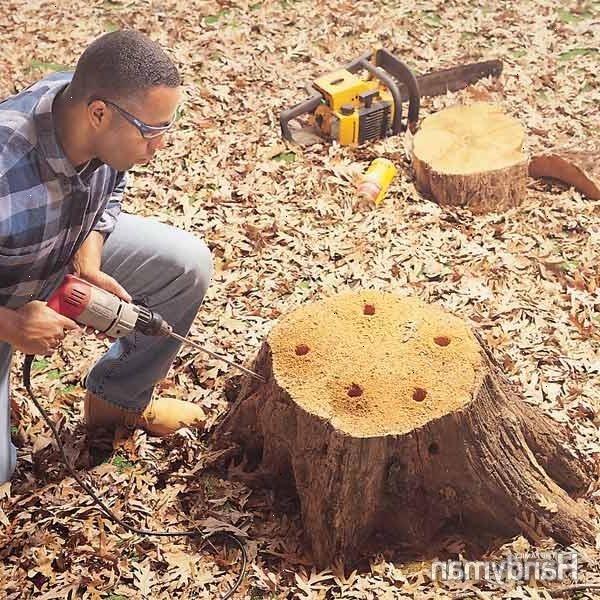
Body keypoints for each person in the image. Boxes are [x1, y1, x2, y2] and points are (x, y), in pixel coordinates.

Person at [0, 30, 212, 484]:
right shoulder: (5, 163)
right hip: (4, 299)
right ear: (98, 112)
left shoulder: (98, 119)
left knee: (185, 265)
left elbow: (109, 194)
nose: (159, 147)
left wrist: (88, 260)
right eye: (152, 132)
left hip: (56, 250)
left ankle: (117, 400)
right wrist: (12, 325)